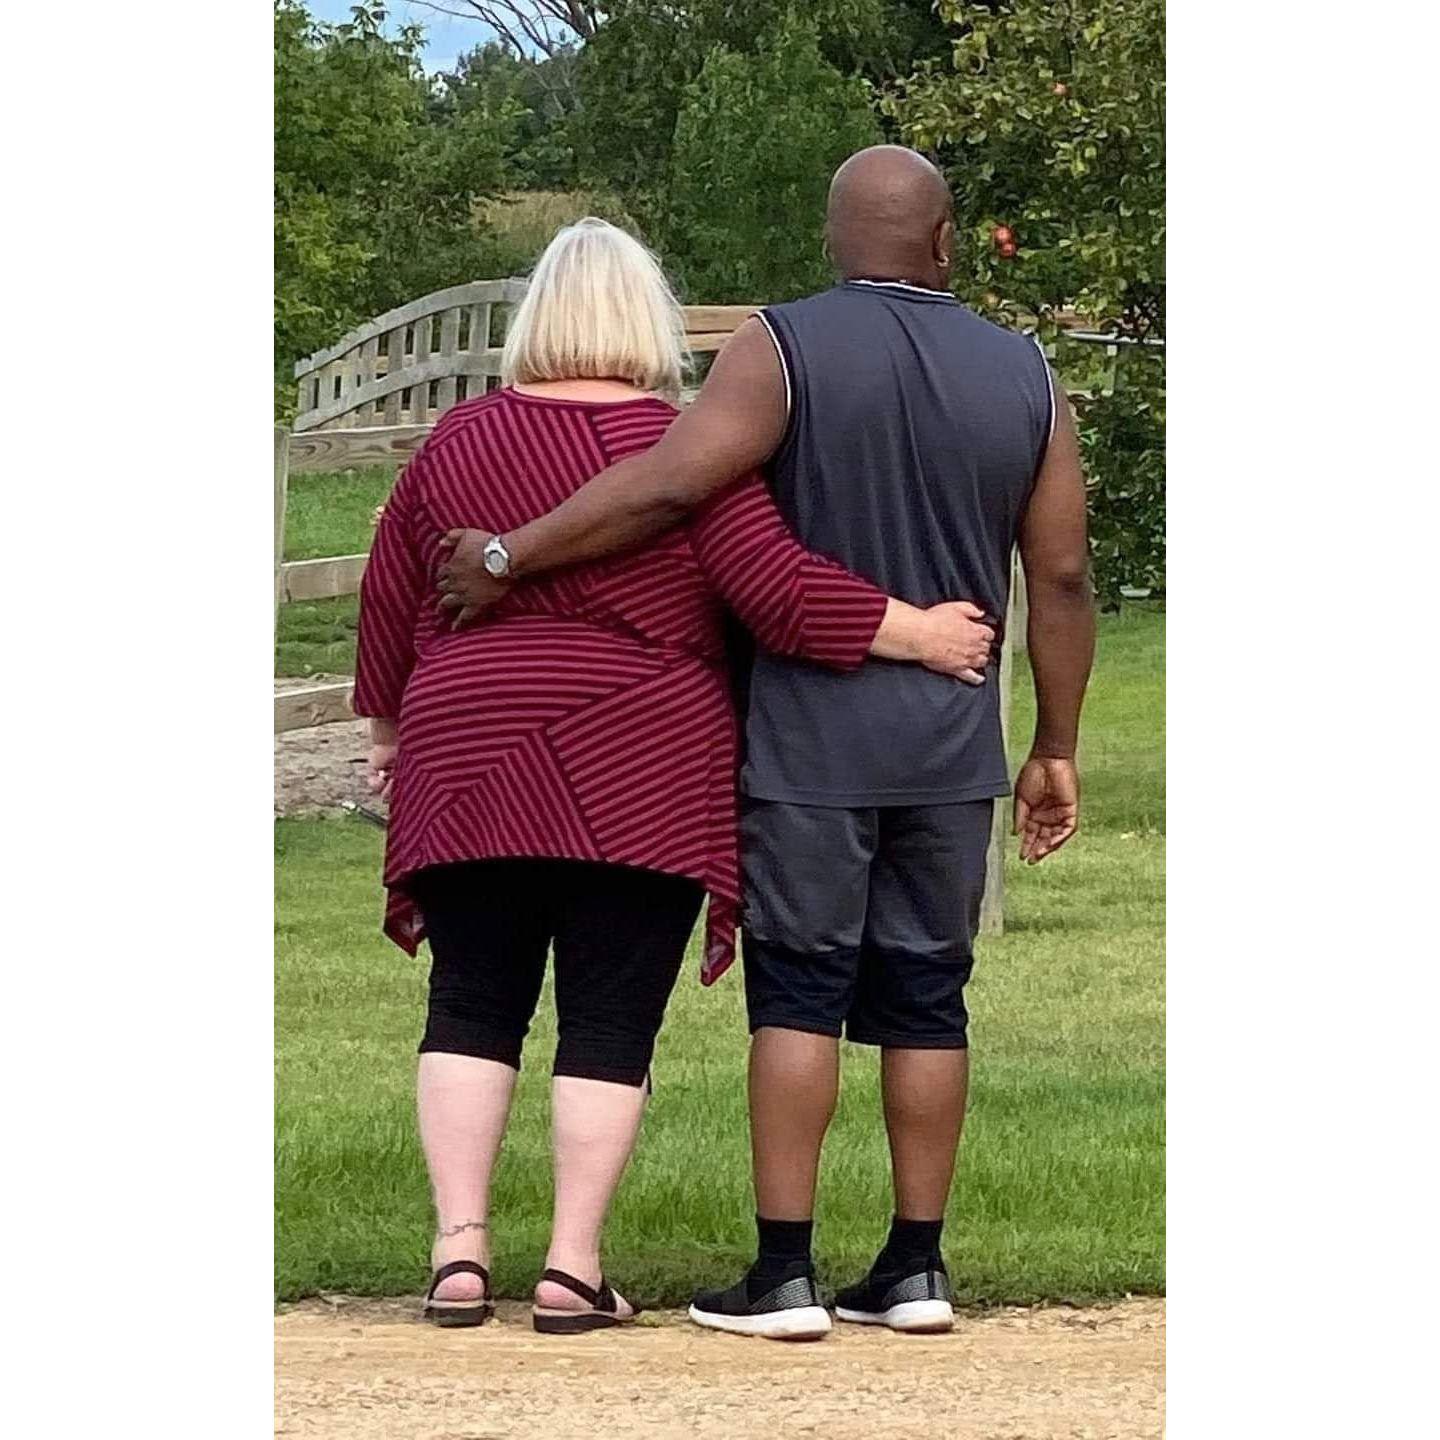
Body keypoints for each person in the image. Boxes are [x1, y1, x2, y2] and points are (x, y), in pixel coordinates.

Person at [434, 148, 1097, 1340]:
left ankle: (783, 1274)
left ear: (834, 236)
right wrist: (1054, 739)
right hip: (952, 742)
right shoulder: (1027, 373)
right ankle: (915, 1269)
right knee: (929, 997)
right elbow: (1060, 572)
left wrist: (508, 555)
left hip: (810, 734)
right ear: (946, 240)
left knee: (799, 990)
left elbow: (671, 485)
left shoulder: (781, 347)